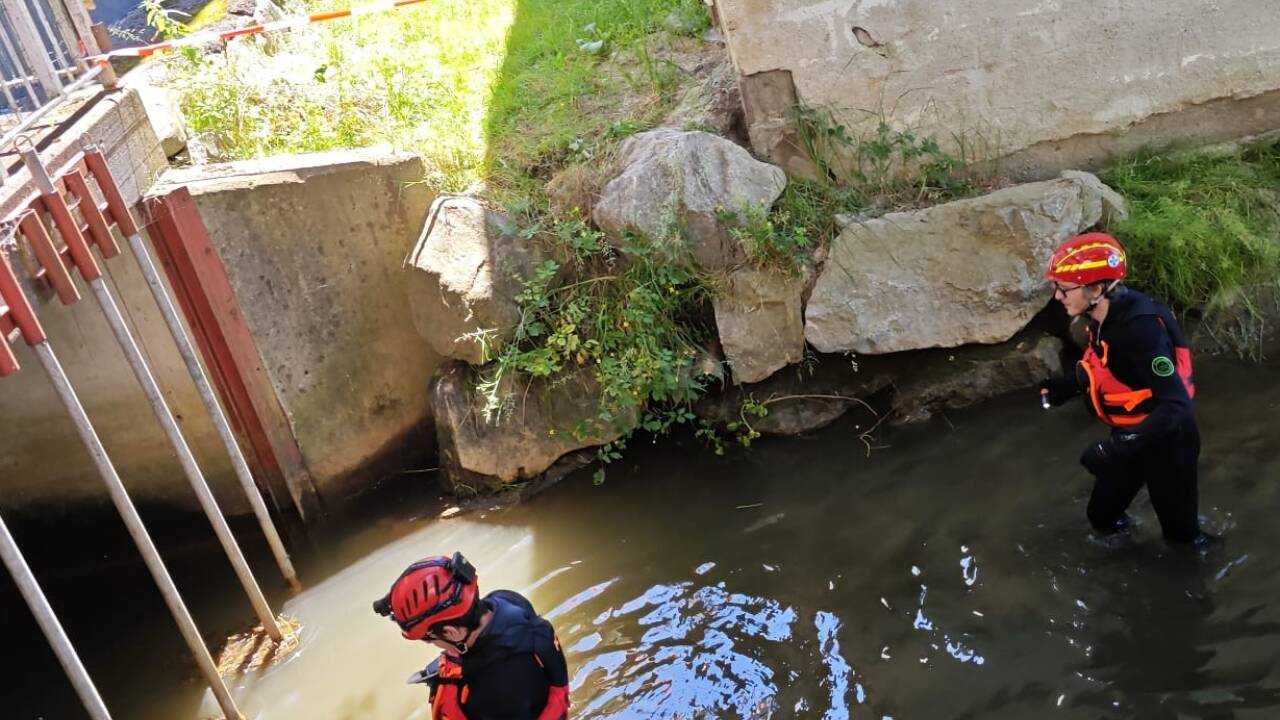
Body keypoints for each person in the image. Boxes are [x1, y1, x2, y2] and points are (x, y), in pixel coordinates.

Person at [1038, 233, 1205, 544]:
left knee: (1183, 540)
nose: (1057, 296)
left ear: (1096, 289)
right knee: (1101, 517)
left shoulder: (1140, 330)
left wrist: (1113, 448)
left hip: (1169, 441)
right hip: (1131, 435)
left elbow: (1177, 406)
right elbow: (1109, 368)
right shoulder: (1100, 317)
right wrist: (1067, 387)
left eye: (1063, 288)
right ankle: (1130, 564)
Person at [373, 552, 570, 720]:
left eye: (429, 639)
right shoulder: (504, 600)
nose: (434, 645)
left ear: (452, 632)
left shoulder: (495, 688)